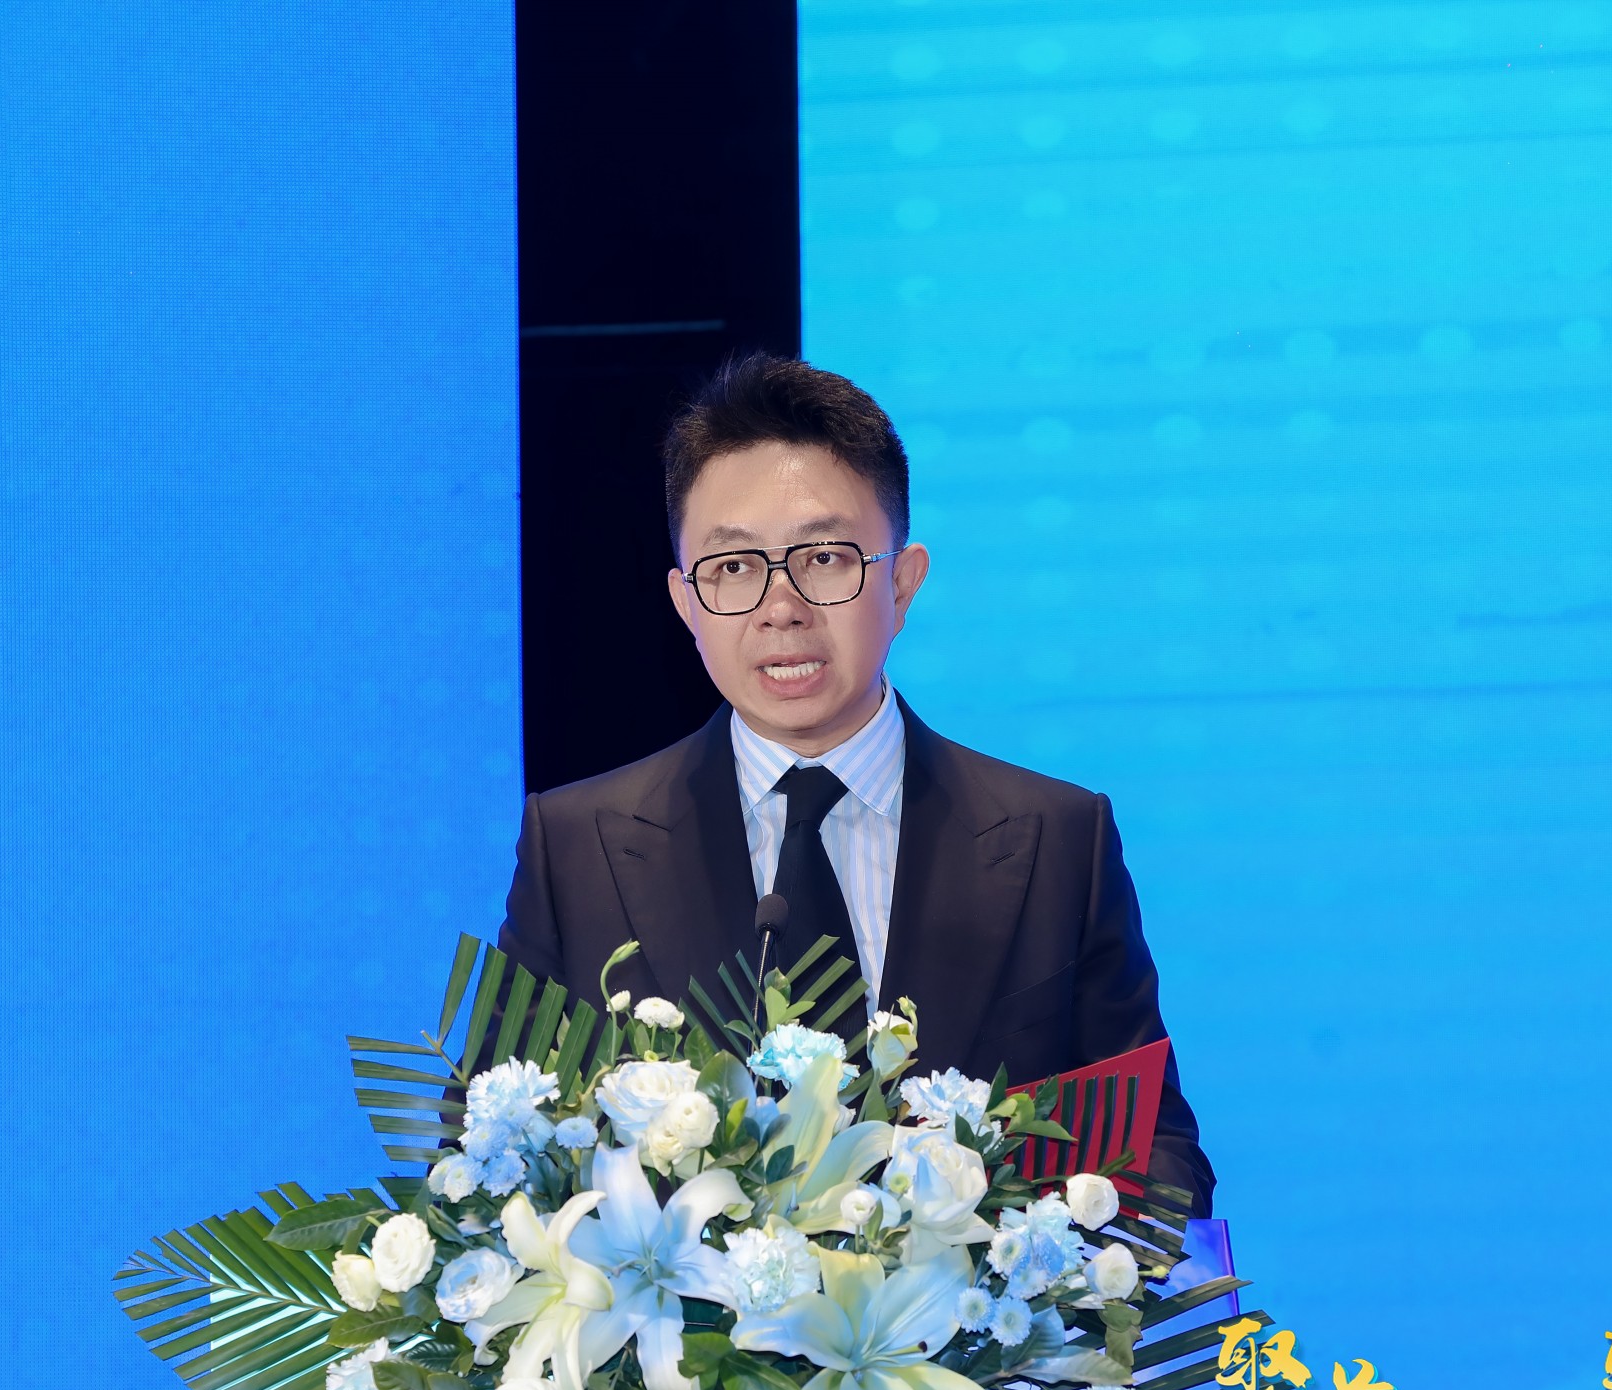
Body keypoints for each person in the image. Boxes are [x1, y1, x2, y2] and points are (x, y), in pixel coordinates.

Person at [498, 355, 1215, 1215]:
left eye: (824, 557)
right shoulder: (577, 848)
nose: (781, 607)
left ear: (903, 581)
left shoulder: (1058, 840)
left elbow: (1154, 1157)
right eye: (733, 568)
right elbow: (496, 1159)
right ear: (685, 602)